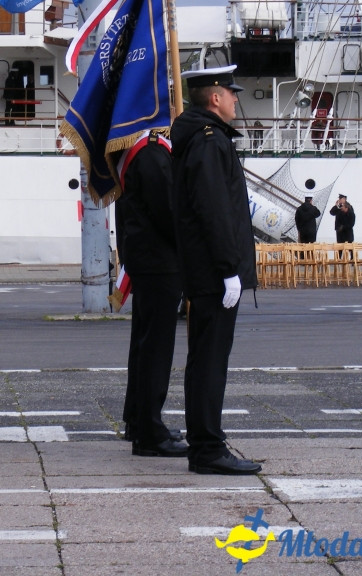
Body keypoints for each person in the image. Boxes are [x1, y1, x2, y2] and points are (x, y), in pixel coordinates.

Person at [171, 65, 261, 476]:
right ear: (215, 98)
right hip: (213, 273)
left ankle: (206, 442)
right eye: (231, 93)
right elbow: (214, 211)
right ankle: (207, 448)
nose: (235, 99)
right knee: (209, 361)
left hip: (208, 271)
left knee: (206, 359)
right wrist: (229, 270)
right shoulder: (209, 142)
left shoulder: (206, 138)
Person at [114, 130, 186, 457]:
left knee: (143, 347)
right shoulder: (153, 153)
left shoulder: (137, 149)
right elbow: (169, 213)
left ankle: (138, 418)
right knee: (156, 350)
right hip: (159, 262)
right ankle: (150, 431)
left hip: (144, 259)